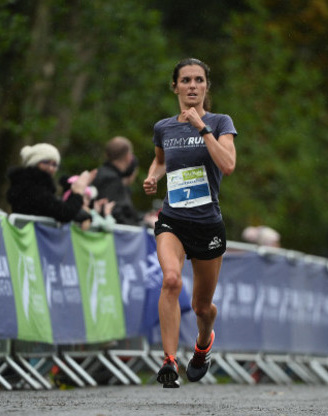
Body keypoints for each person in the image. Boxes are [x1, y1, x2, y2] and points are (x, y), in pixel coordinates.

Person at [143, 58, 237, 388]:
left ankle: (203, 343)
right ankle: (169, 360)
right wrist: (153, 177)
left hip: (207, 225)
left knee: (201, 306)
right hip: (173, 219)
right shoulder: (163, 127)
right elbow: (160, 160)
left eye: (198, 80)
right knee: (170, 280)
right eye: (186, 80)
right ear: (175, 86)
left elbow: (227, 165)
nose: (192, 85)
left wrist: (202, 128)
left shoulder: (220, 122)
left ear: (207, 86)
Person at [6, 143, 96, 223]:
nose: (51, 168)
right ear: (34, 163)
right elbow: (64, 213)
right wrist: (78, 192)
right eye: (46, 162)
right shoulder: (31, 186)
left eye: (54, 164)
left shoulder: (29, 183)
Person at [92, 136, 143, 226]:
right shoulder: (111, 179)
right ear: (128, 156)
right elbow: (116, 214)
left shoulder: (101, 173)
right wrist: (141, 226)